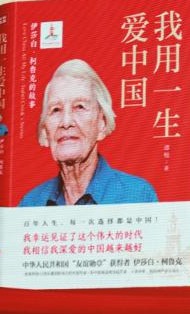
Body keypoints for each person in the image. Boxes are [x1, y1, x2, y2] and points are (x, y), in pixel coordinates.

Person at [18, 59, 157, 206]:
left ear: (102, 123)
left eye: (79, 107)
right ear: (45, 131)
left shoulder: (137, 195)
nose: (66, 122)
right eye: (56, 110)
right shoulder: (31, 203)